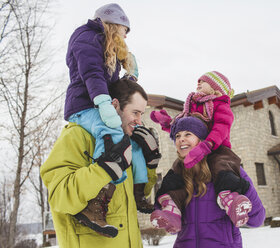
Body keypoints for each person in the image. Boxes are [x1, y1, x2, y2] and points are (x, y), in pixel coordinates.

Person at [64, 3, 156, 236]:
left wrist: (131, 77)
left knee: (131, 144)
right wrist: (104, 103)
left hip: (101, 103)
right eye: (126, 30)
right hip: (85, 106)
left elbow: (113, 83)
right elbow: (92, 73)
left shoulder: (109, 45)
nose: (127, 36)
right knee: (114, 137)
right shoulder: (87, 37)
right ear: (116, 25)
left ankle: (138, 193)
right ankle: (94, 203)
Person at [41, 78, 159, 247]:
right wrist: (103, 169)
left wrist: (150, 163)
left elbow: (137, 197)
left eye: (142, 114)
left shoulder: (125, 143)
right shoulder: (76, 136)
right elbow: (60, 197)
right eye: (135, 113)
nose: (139, 121)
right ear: (115, 106)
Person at [150, 71, 252, 228]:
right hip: (195, 152)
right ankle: (171, 208)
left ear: (216, 88)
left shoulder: (220, 105)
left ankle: (230, 199)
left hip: (217, 148)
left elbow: (221, 128)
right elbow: (186, 127)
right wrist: (169, 124)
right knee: (177, 170)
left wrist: (207, 145)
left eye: (203, 81)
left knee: (221, 166)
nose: (198, 82)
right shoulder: (192, 105)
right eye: (198, 80)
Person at [150, 116, 265, 247]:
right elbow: (172, 228)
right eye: (177, 136)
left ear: (202, 140)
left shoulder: (227, 171)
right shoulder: (175, 177)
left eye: (188, 134)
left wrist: (243, 188)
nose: (181, 139)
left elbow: (257, 220)